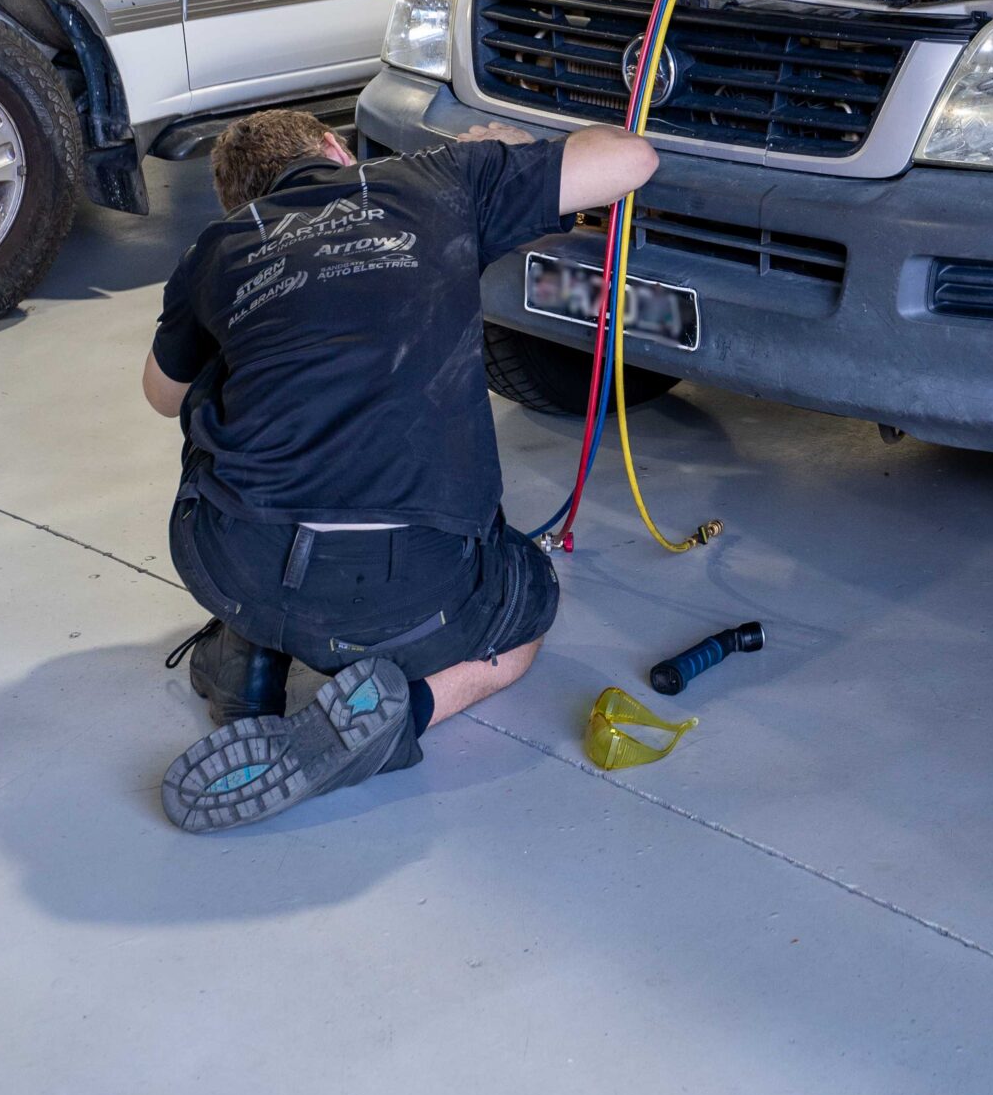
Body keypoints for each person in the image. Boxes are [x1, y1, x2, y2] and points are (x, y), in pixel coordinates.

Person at [148, 105, 655, 831]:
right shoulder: (439, 178)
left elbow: (161, 395)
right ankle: (399, 719)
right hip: (414, 582)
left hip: (241, 562)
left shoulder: (223, 243)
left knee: (213, 377)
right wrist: (501, 151)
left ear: (245, 201)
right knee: (522, 623)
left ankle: (247, 652)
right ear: (335, 148)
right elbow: (631, 159)